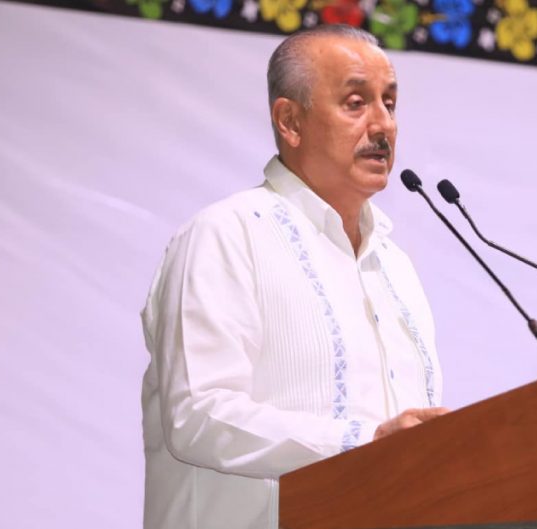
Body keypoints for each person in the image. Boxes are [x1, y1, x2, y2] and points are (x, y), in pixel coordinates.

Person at [139, 25, 447, 529]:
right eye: (356, 103)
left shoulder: (395, 267)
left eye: (389, 103)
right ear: (290, 122)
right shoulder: (227, 235)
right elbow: (197, 415)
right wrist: (363, 441)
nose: (383, 125)